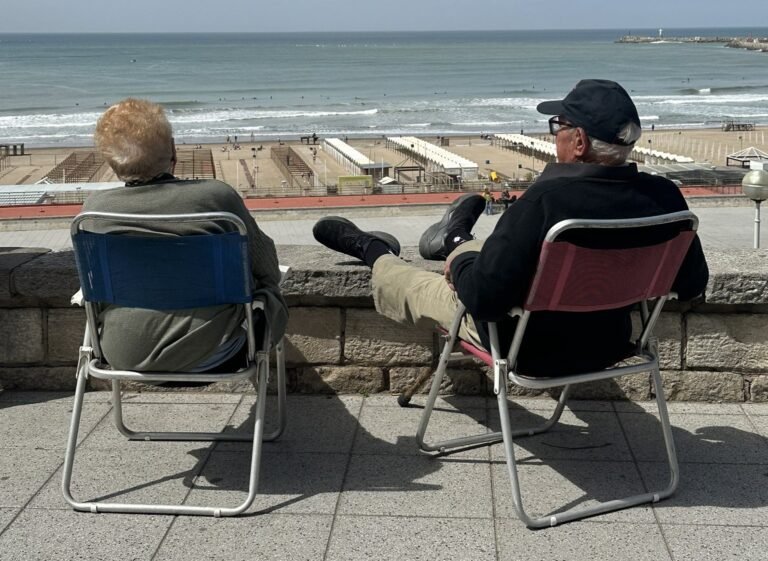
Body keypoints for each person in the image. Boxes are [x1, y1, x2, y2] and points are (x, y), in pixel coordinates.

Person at [312, 79, 708, 377]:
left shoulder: (547, 201)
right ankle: (456, 236)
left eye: (558, 126)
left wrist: (460, 269)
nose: (555, 136)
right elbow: (692, 285)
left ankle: (375, 249)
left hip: (525, 348)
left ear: (580, 141)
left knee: (413, 284)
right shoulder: (667, 200)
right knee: (500, 250)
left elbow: (484, 300)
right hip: (613, 344)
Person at [83, 98, 287, 373]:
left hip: (120, 355)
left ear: (111, 162)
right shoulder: (215, 197)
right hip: (216, 354)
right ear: (173, 151)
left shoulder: (95, 212)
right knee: (268, 297)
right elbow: (267, 269)